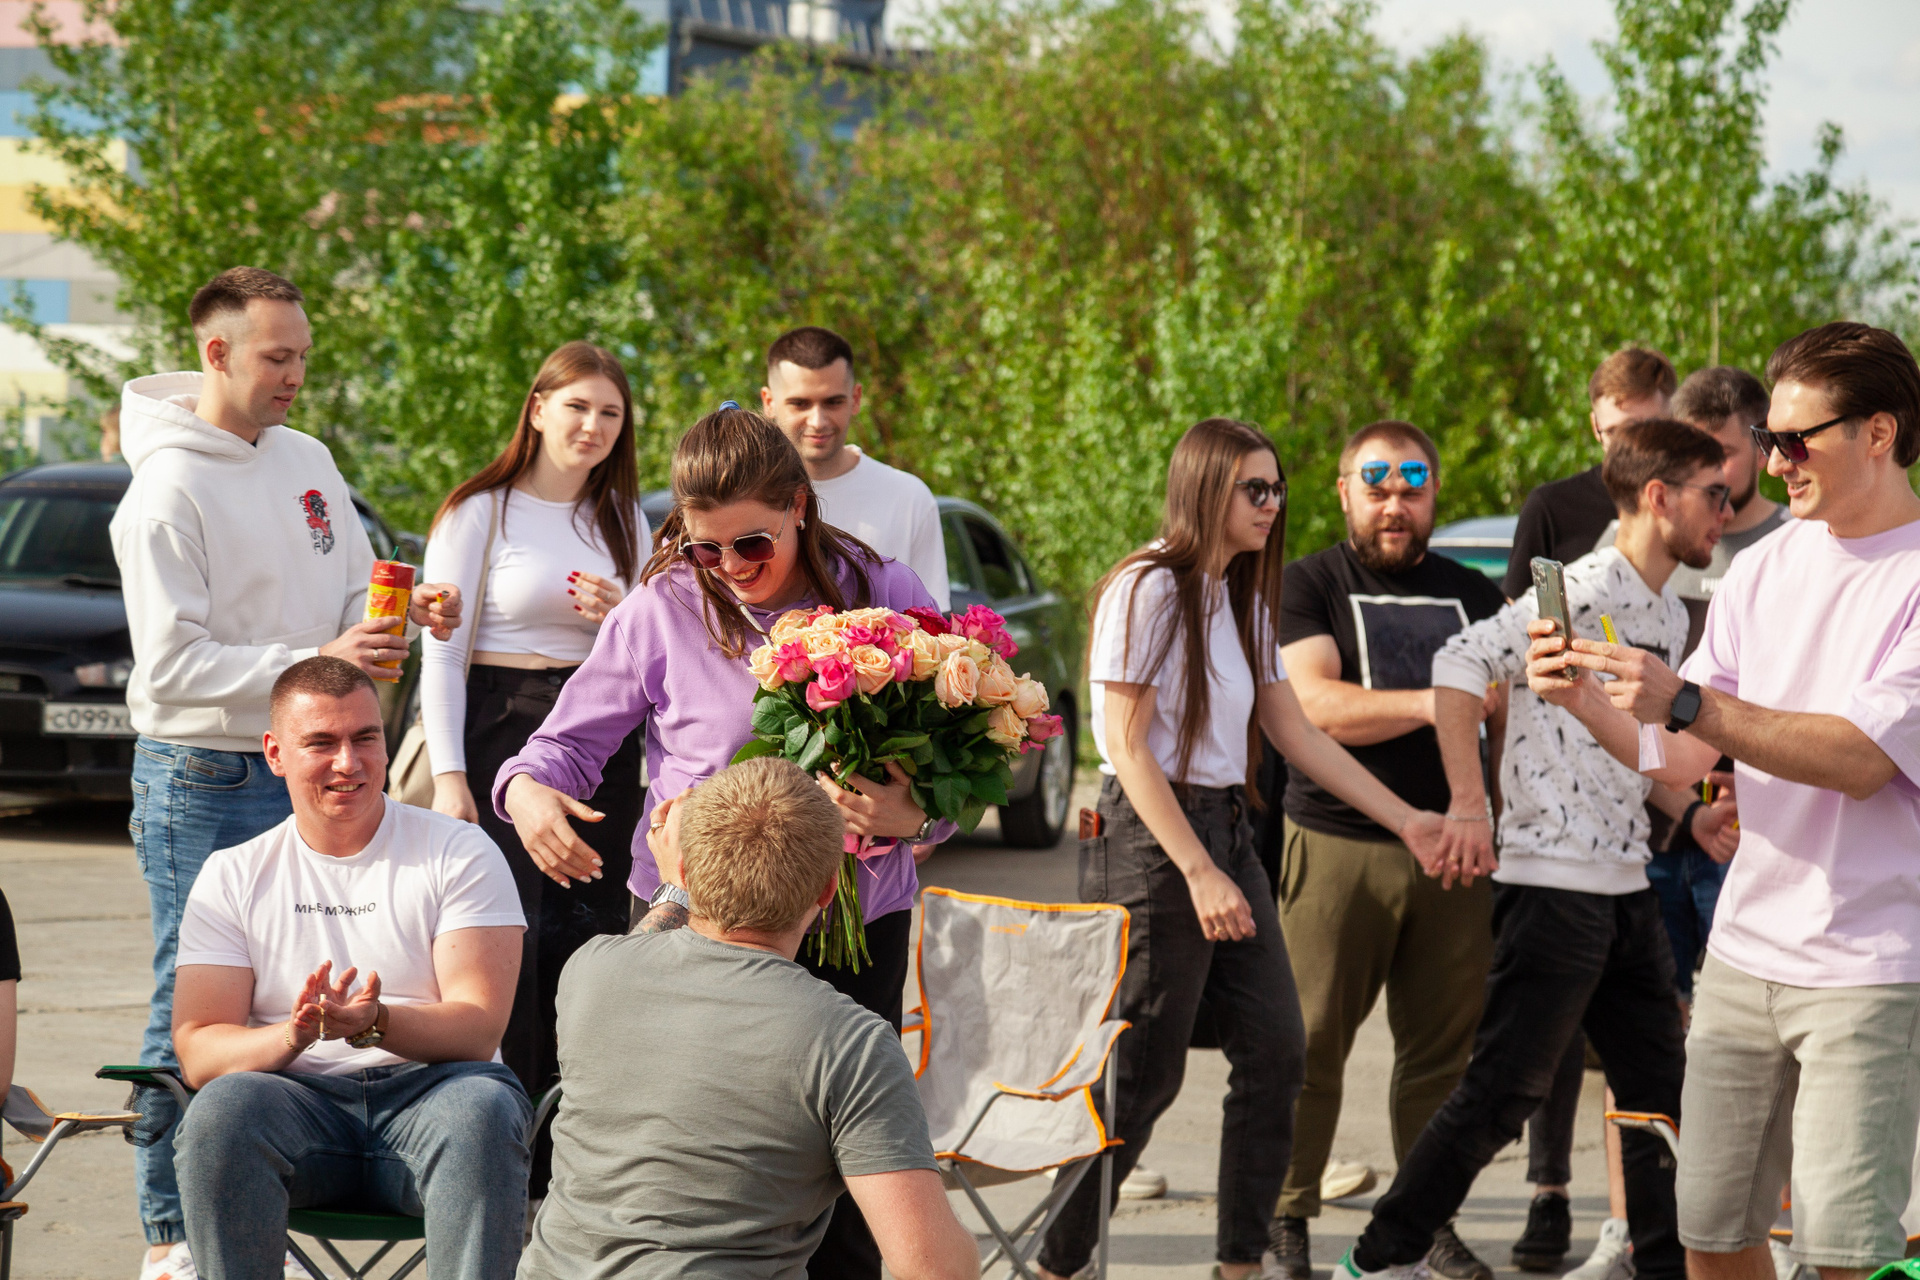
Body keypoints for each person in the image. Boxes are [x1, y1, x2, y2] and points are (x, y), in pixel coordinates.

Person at [496, 405, 949, 1280]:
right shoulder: (659, 609)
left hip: (850, 919)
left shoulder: (884, 591)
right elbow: (563, 746)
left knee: (852, 1196)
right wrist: (528, 792)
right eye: (705, 549)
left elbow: (966, 758)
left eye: (751, 544)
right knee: (683, 1165)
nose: (731, 568)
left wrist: (919, 819)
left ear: (799, 506)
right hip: (689, 918)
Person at [1529, 322, 1920, 1280]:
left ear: (1879, 432)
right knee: (1709, 1237)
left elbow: (1861, 757)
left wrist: (1689, 701)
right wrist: (1584, 698)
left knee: (1844, 1256)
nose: (1771, 465)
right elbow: (1679, 757)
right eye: (1767, 440)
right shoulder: (1768, 567)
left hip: (1868, 967)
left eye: (1795, 441)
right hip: (1744, 954)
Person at [1034, 418, 1451, 1280]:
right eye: (1253, 489)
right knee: (1143, 1077)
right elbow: (1127, 745)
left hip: (1226, 827)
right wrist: (1197, 871)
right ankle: (1054, 1263)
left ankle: (1240, 1265)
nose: (1271, 504)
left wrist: (1408, 818)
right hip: (1153, 839)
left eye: (1277, 488)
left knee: (1277, 1052)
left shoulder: (1242, 597)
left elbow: (1294, 731)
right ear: (1204, 489)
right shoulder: (1148, 586)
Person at [109, 266, 462, 1277]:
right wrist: (321, 655)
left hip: (314, 762)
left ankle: (272, 1199)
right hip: (206, 776)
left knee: (309, 985)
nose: (296, 374)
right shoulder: (164, 490)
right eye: (277, 356)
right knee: (197, 999)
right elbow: (171, 667)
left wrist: (402, 613)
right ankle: (170, 1235)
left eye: (303, 354)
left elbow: (351, 594)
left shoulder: (307, 456)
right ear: (216, 353)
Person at [1336, 418, 1734, 1280]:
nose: (1728, 512)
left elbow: (1629, 749)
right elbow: (1458, 663)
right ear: (1658, 497)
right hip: (1551, 886)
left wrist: (1690, 812)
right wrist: (1469, 805)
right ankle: (1376, 1260)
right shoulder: (1577, 588)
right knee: (1502, 1094)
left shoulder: (1669, 610)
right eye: (1714, 494)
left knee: (1661, 1099)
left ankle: (1664, 1267)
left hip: (1624, 885)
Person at [520, 755, 977, 1280]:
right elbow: (936, 1269)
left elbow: (644, 944)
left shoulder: (591, 972)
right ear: (829, 891)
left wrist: (674, 889)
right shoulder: (849, 1042)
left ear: (683, 871)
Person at [169, 657, 528, 1280]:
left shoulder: (459, 850)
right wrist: (292, 1035)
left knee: (483, 1111)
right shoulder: (233, 874)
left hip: (437, 1096)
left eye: (366, 737)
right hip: (294, 1104)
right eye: (321, 743)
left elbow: (478, 1029)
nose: (348, 762)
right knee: (222, 1112)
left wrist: (375, 1023)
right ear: (275, 754)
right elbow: (198, 1049)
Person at [1270, 421, 1507, 1280]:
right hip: (1339, 845)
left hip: (1458, 854)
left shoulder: (1475, 594)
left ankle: (1424, 1222)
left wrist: (1499, 820)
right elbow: (1317, 706)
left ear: (1435, 493)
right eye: (1376, 488)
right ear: (1345, 493)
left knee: (1443, 1059)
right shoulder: (1310, 584)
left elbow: (1508, 713)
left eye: (1412, 488)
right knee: (1311, 1044)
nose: (1394, 506)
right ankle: (1286, 1216)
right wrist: (1439, 701)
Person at [419, 341, 650, 1186]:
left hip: (599, 739)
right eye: (577, 406)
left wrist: (621, 611)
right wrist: (451, 777)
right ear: (539, 408)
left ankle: (566, 1166)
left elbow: (655, 640)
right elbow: (443, 654)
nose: (593, 426)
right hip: (498, 730)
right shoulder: (480, 510)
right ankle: (491, 1155)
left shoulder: (627, 519)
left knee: (588, 945)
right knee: (502, 943)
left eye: (610, 413)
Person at [1500, 343, 1674, 1276]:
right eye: (1610, 432)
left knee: (1645, 1038)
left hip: (1665, 789)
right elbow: (1517, 650)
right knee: (1551, 1031)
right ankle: (1548, 1192)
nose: (1622, 449)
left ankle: (1649, 1227)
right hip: (1569, 800)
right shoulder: (1557, 509)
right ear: (1593, 427)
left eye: (1641, 430)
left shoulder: (1698, 509)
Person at [1591, 366, 1785, 1013]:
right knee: (1654, 1026)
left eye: (1723, 454)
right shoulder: (1626, 547)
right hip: (1648, 825)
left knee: (1732, 1022)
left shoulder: (1790, 547)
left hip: (1746, 829)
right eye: (1697, 461)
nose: (1717, 482)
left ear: (1759, 444)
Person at [759, 326, 950, 609]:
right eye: (800, 404)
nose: (818, 421)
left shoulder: (908, 497)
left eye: (833, 402)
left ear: (856, 398)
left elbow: (932, 623)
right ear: (769, 402)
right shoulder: (743, 499)